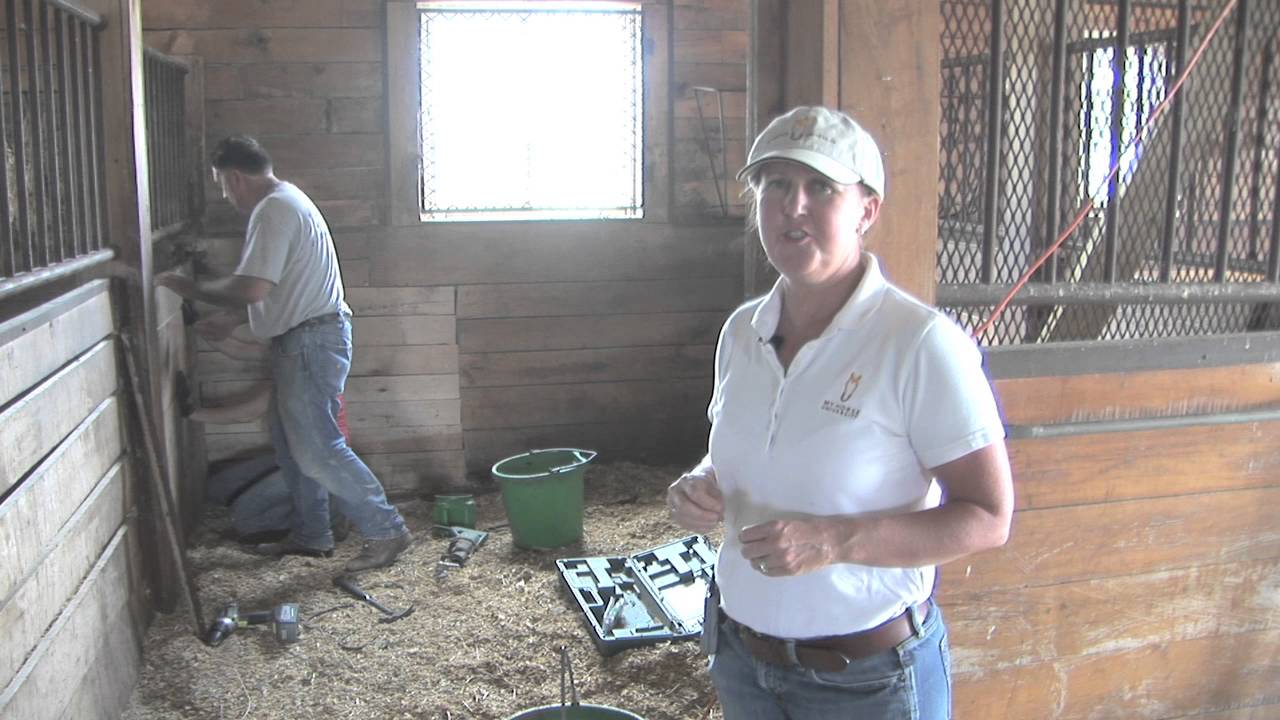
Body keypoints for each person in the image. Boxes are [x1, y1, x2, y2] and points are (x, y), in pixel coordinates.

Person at [667, 106, 1014, 719]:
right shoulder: (741, 332)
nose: (792, 206)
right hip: (744, 661)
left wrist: (835, 540)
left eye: (820, 187)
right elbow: (746, 446)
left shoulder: (919, 343)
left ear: (866, 210)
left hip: (865, 683)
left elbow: (988, 517)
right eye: (774, 184)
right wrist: (703, 484)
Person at [157, 135, 412, 573]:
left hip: (310, 340)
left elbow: (254, 286)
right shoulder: (288, 201)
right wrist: (237, 319)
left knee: (318, 450)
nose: (225, 193)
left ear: (235, 177)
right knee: (293, 447)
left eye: (222, 184)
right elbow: (282, 287)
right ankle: (313, 534)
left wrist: (191, 288)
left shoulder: (274, 210)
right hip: (305, 337)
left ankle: (385, 529)